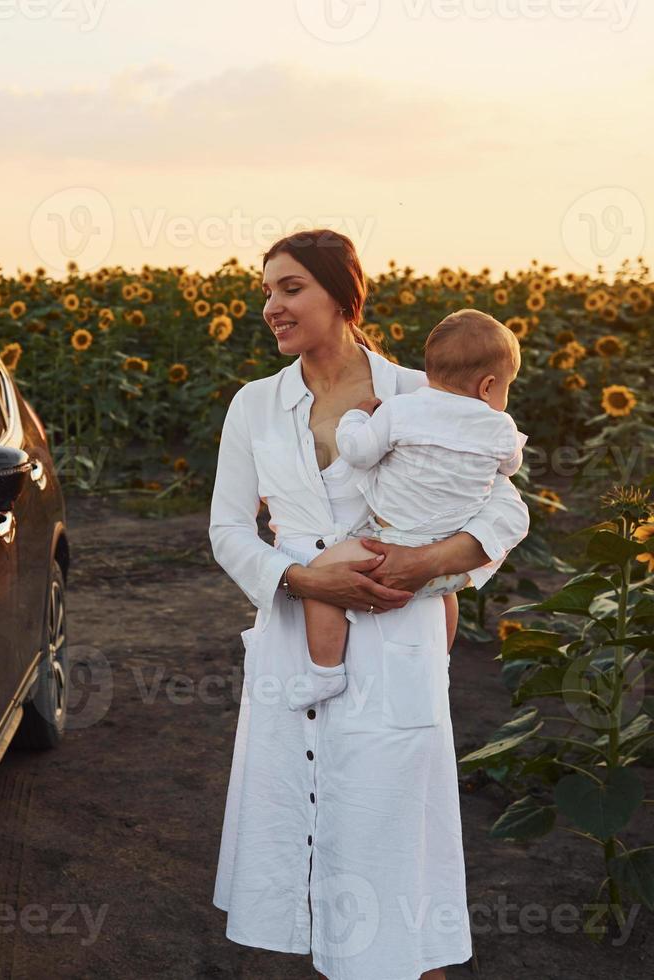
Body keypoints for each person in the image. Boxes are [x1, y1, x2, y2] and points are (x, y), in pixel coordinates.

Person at [209, 229, 529, 980]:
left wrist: (422, 565)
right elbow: (227, 530)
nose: (272, 307)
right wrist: (304, 580)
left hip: (397, 645)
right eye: (266, 292)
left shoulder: (425, 392)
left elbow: (504, 514)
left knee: (396, 858)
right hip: (298, 643)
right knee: (307, 844)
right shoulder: (254, 406)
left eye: (290, 289)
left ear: (343, 296)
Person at [287, 309, 529, 711]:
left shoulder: (399, 410)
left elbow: (359, 453)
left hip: (385, 545)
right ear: (488, 386)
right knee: (446, 600)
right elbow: (509, 468)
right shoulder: (500, 426)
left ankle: (324, 672)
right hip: (449, 565)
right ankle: (442, 665)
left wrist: (357, 416)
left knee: (321, 579)